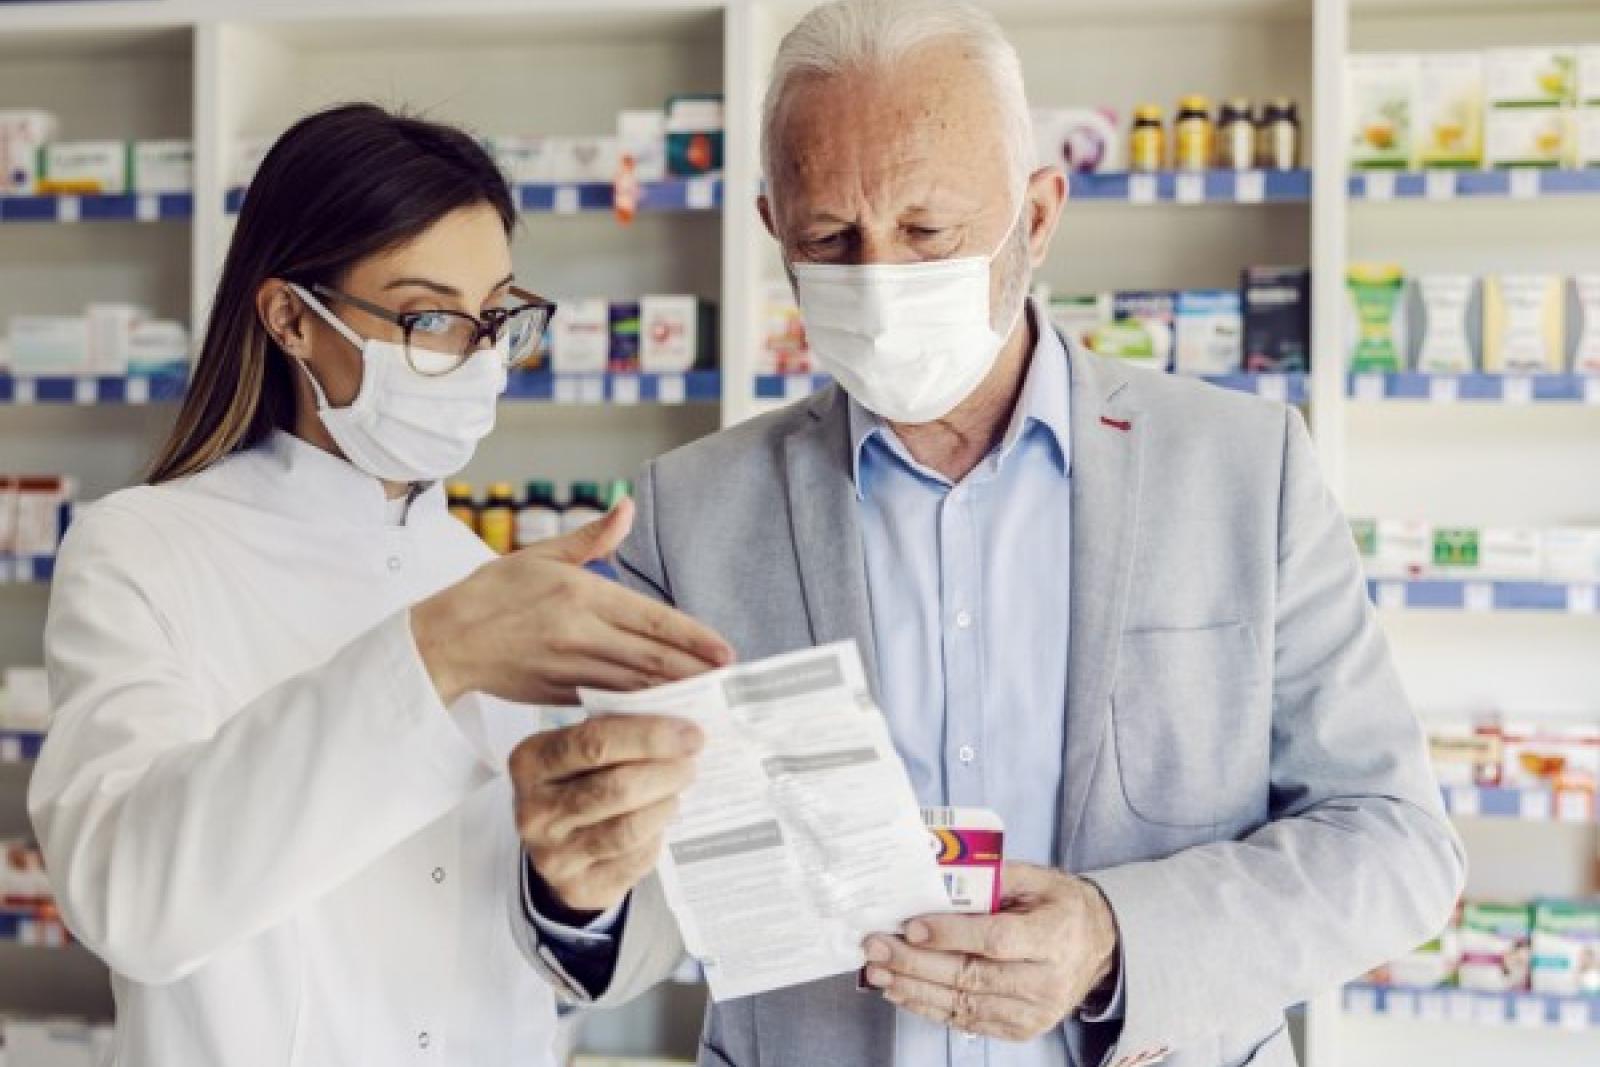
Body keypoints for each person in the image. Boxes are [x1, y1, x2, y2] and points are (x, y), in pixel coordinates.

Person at [521, 2, 1466, 1066]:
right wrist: (580, 885)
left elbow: (1392, 842)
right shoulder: (687, 515)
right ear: (771, 228)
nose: (877, 278)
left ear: (1039, 213)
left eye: (927, 231)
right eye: (830, 237)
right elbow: (656, 900)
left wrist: (1116, 937)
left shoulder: (1242, 469)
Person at [27, 104, 732, 1067]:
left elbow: (583, 951)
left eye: (495, 317)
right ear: (289, 317)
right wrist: (436, 654)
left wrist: (578, 894)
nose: (479, 357)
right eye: (430, 316)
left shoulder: (497, 587)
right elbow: (131, 898)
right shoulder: (142, 550)